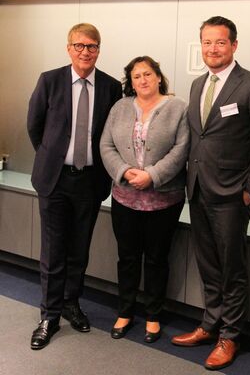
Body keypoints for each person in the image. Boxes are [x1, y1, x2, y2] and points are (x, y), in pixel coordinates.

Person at [171, 16, 250, 370]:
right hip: (199, 191)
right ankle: (209, 324)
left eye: (220, 42)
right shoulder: (196, 85)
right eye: (206, 42)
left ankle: (230, 336)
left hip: (234, 196)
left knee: (232, 268)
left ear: (234, 45)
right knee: (208, 264)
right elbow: (198, 138)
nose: (212, 49)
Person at [27, 23, 122, 350]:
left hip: (91, 181)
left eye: (92, 46)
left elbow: (112, 134)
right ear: (69, 48)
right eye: (79, 45)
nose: (85, 52)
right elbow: (34, 127)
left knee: (79, 248)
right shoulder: (49, 80)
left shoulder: (111, 87)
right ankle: (49, 315)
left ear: (99, 50)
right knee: (53, 251)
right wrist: (54, 156)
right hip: (55, 179)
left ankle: (71, 303)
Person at [100, 56, 189, 343]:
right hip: (125, 198)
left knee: (156, 259)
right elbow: (106, 144)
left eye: (148, 74)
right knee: (127, 257)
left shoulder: (178, 108)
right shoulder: (120, 107)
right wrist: (124, 171)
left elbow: (181, 149)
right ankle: (125, 311)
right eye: (136, 76)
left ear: (158, 77)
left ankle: (153, 315)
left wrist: (152, 175)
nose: (143, 80)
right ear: (131, 81)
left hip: (164, 199)